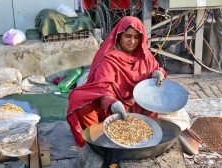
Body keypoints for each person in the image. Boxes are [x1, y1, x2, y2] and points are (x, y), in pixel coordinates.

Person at [67, 16, 167, 147]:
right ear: (119, 36)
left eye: (137, 37)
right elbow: (102, 88)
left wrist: (158, 73)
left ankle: (146, 131)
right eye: (128, 36)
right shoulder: (109, 58)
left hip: (138, 105)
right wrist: (111, 103)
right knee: (78, 99)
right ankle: (98, 137)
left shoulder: (145, 55)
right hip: (112, 109)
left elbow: (155, 70)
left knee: (155, 92)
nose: (132, 41)